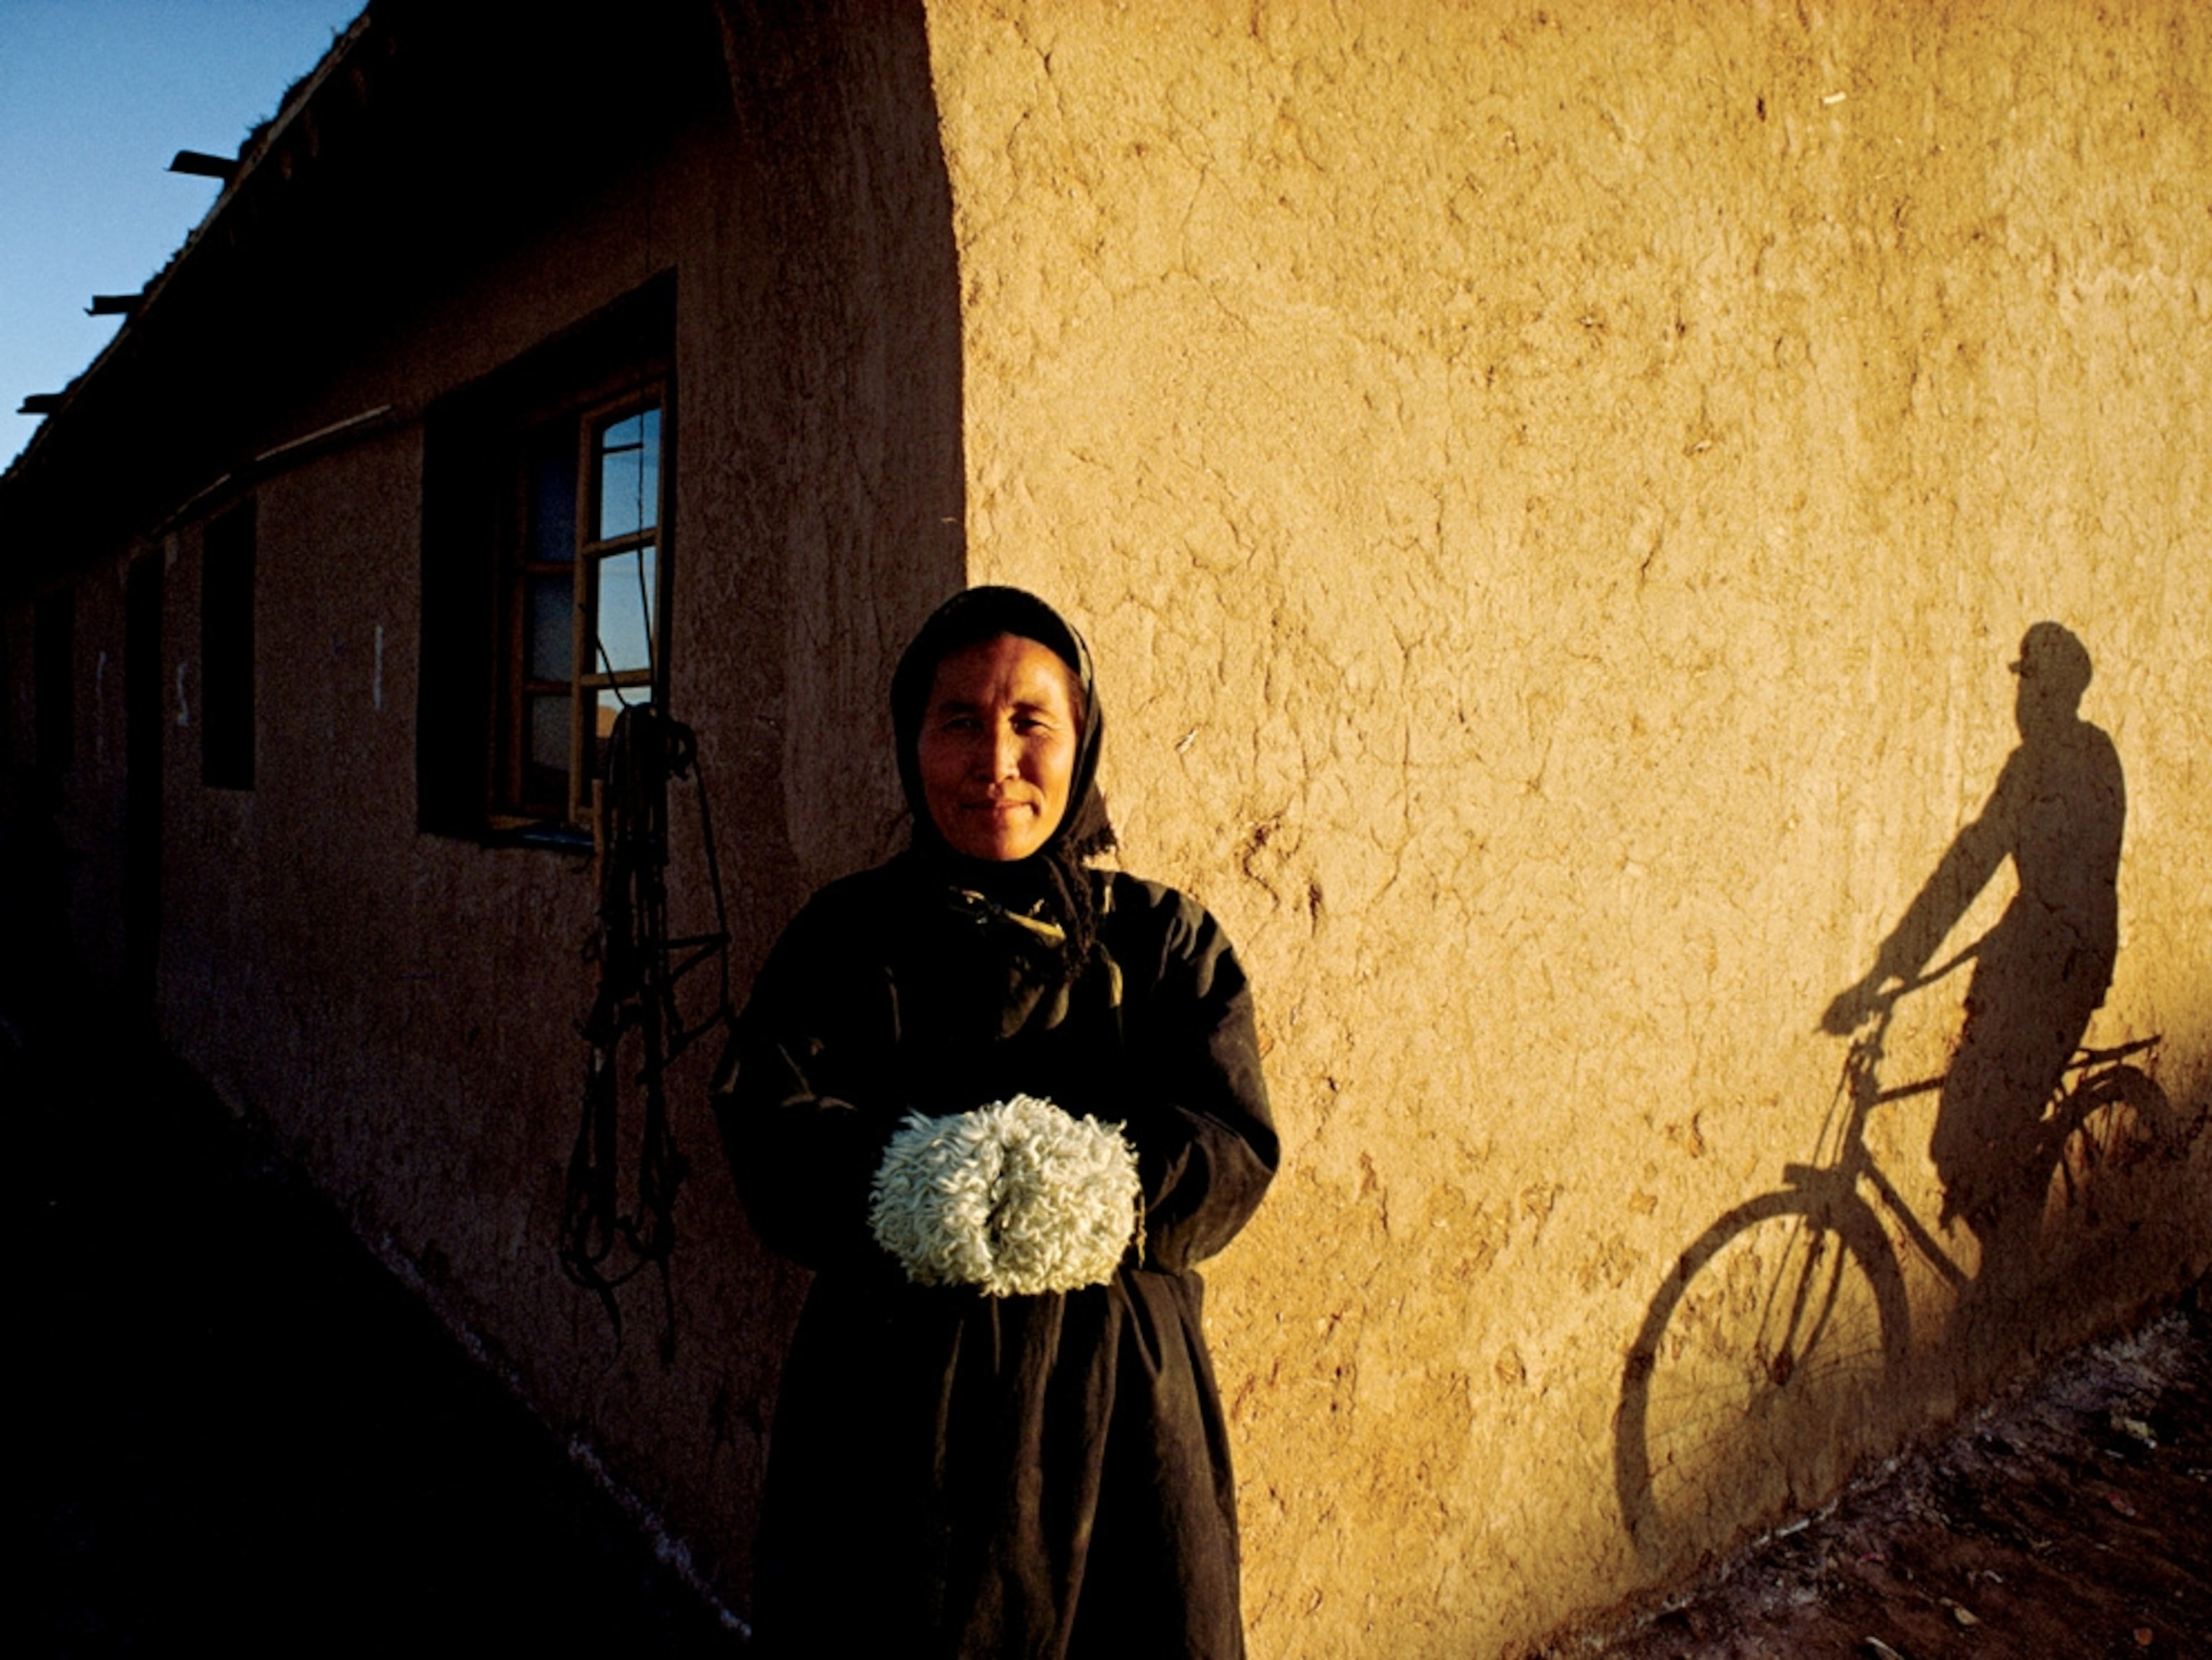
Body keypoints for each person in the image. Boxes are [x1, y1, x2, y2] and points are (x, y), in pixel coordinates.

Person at [714, 586, 1277, 1659]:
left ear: (1081, 740)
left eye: (1031, 723)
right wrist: (913, 1182)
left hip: (1124, 1419)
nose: (995, 762)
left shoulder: (1163, 943)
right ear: (910, 741)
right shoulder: (846, 938)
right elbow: (767, 1121)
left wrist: (1100, 1188)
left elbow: (1231, 1139)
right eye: (958, 721)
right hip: (892, 1421)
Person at [1822, 622, 2124, 1253]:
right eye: (2024, 692)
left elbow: (2060, 872)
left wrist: (1901, 966)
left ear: (2056, 697)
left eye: (2035, 691)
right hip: (2027, 956)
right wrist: (1889, 970)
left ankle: (2015, 1275)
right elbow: (1975, 857)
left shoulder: (2087, 758)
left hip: (2069, 963)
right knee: (1960, 1140)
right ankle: (2008, 1260)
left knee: (1997, 1133)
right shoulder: (2034, 764)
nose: (2024, 705)